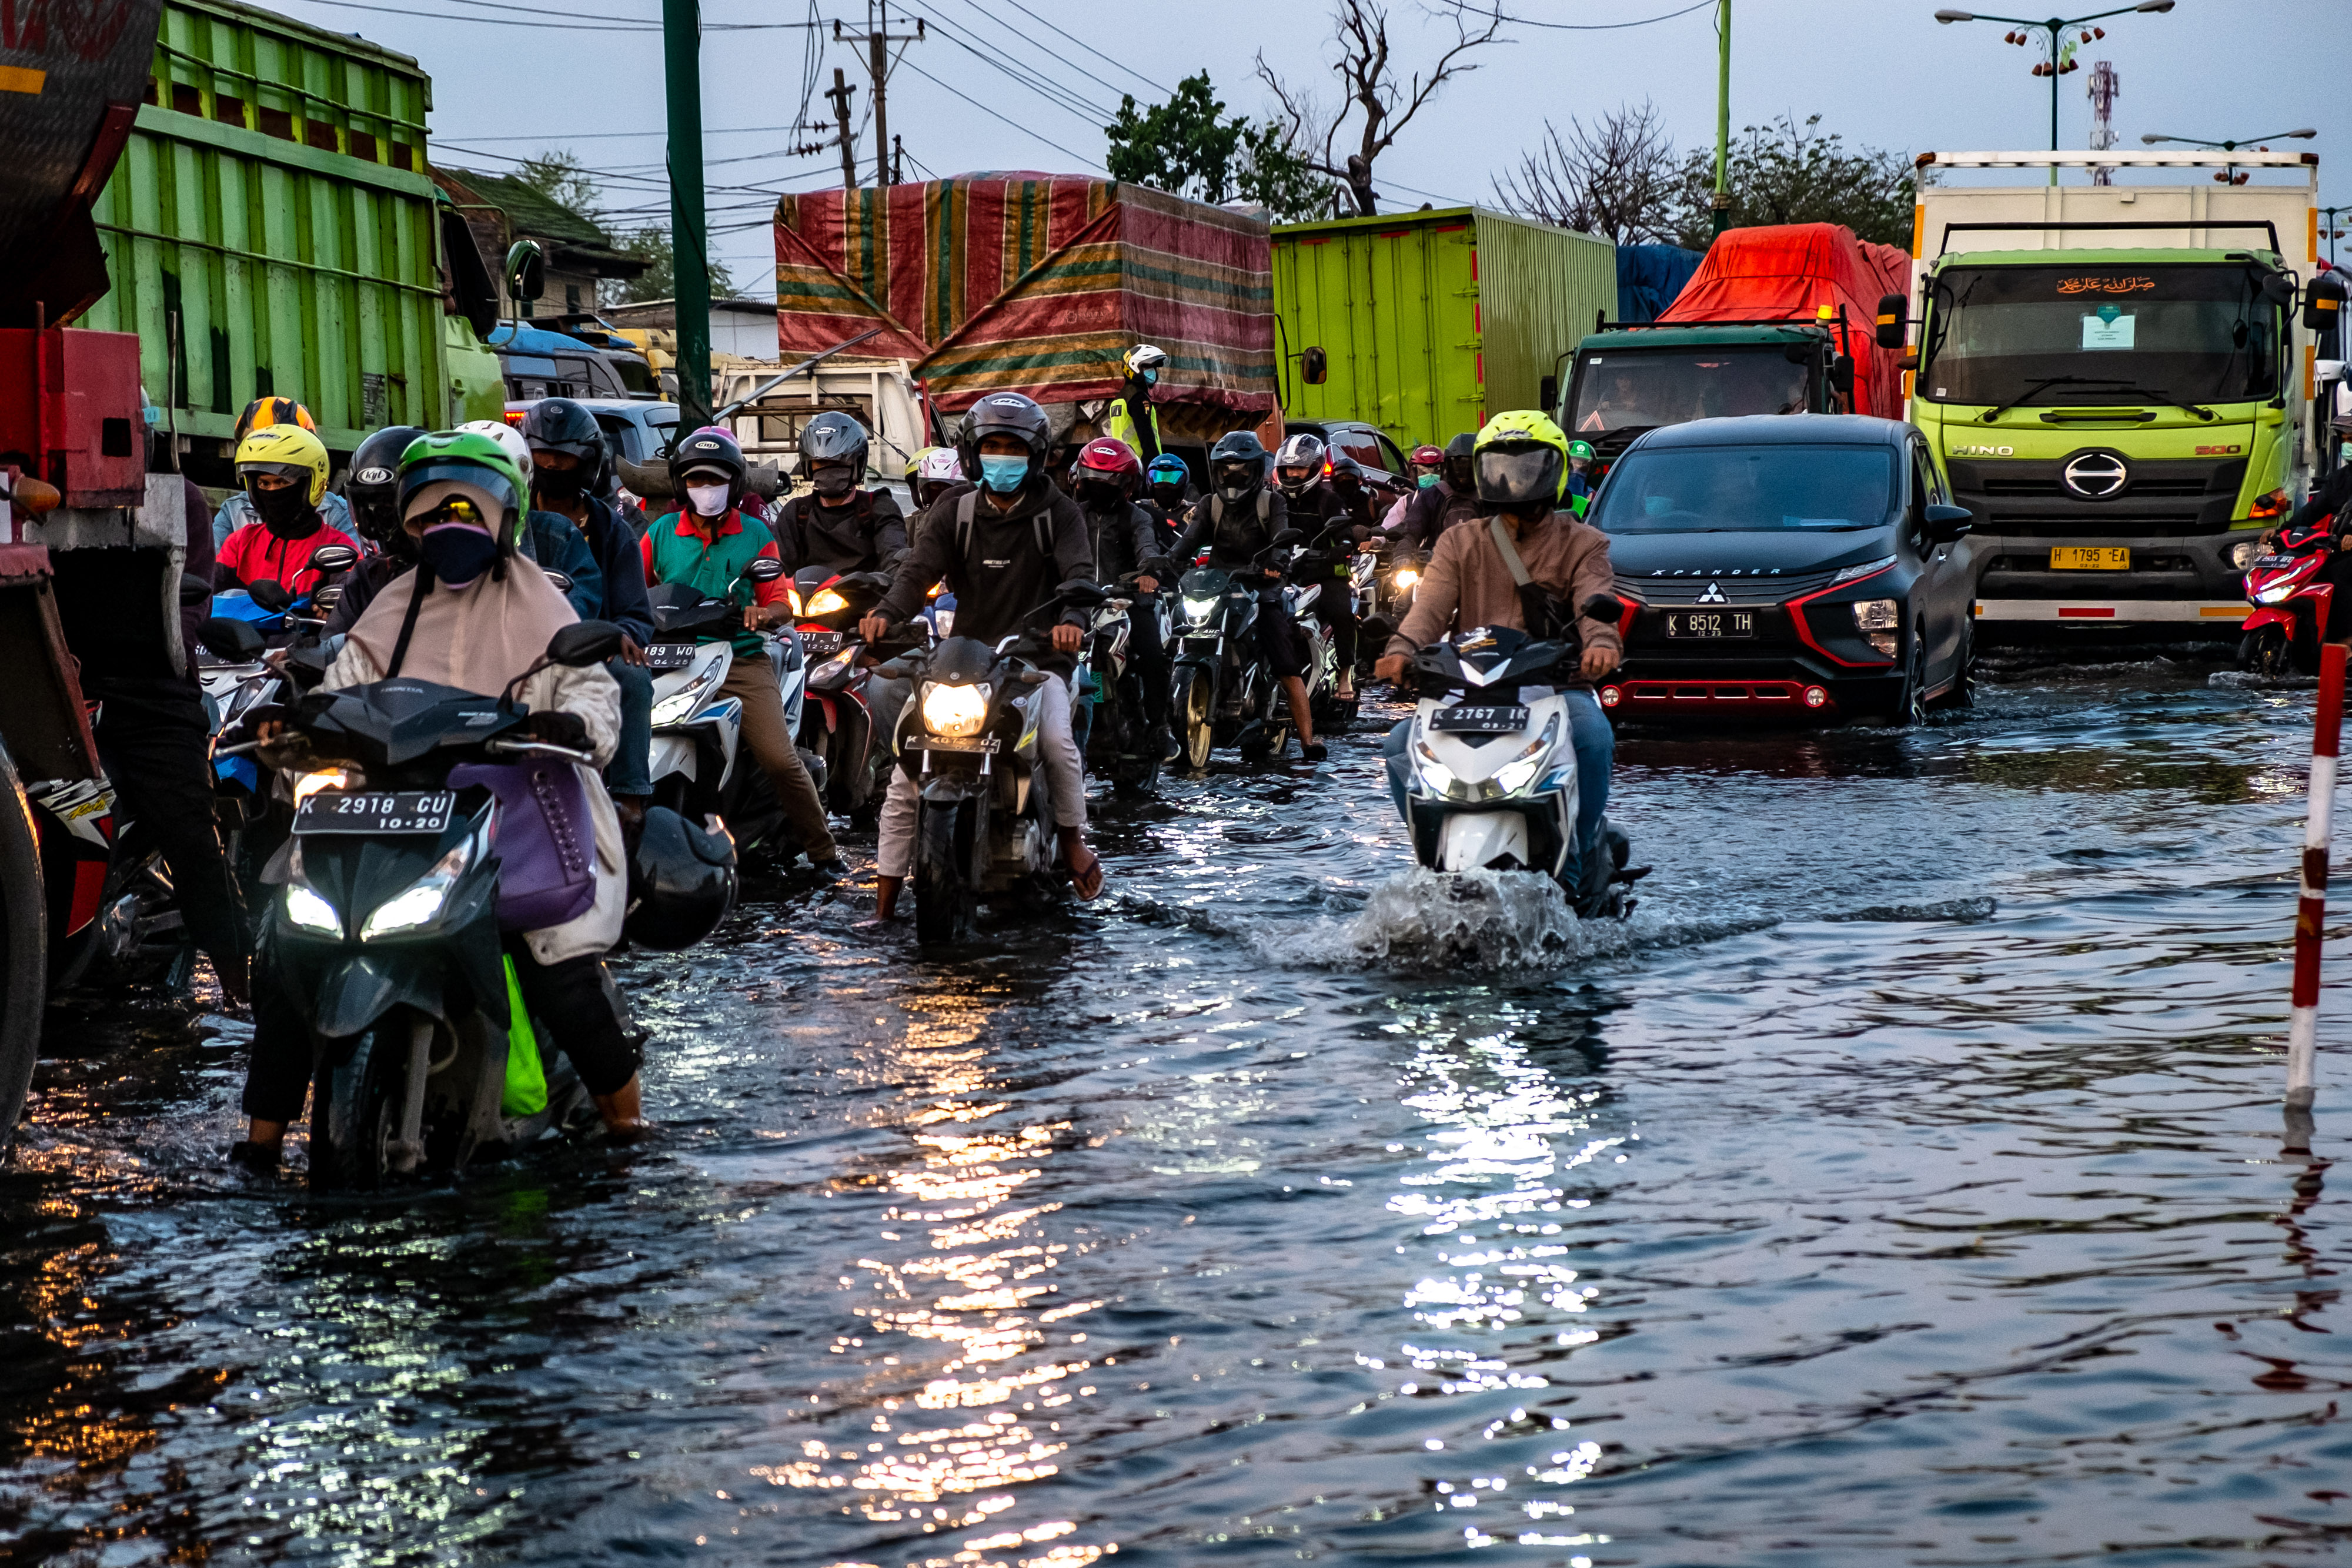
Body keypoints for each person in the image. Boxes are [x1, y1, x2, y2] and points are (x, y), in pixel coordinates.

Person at [230, 430, 646, 1172]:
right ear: (411, 522)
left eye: (468, 507)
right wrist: (292, 728)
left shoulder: (543, 606)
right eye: (434, 510)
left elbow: (592, 693)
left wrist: (572, 724)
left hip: (514, 808)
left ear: (502, 518)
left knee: (558, 971)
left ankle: (630, 1132)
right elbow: (340, 691)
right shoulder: (387, 608)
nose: (450, 522)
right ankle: (259, 1144)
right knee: (290, 953)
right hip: (386, 815)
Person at [857, 392, 1104, 915]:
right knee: (906, 775)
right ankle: (881, 906)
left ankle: (1074, 840)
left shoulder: (1060, 513)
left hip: (1037, 661)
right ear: (973, 453)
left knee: (1059, 745)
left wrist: (1071, 622)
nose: (1002, 456)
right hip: (962, 661)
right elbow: (917, 572)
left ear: (1035, 455)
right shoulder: (956, 510)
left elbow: (1080, 577)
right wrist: (885, 613)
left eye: (1013, 447)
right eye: (992, 446)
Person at [42, 432, 248, 1004]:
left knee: (190, 833)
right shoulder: (49, 499)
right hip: (75, 690)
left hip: (157, 698)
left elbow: (187, 602)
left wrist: (163, 650)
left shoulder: (179, 500)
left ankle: (237, 979)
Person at [1372, 410, 1622, 866]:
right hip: (1471, 687)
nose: (1515, 481)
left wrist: (1601, 644)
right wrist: (1401, 650)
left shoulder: (1584, 542)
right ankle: (1431, 855)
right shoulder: (1458, 541)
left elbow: (1595, 599)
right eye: (1503, 469)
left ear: (1556, 469)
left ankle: (1580, 858)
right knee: (1398, 746)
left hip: (1556, 687)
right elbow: (1428, 608)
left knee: (1593, 736)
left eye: (1528, 468)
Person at [640, 426, 846, 875]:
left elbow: (780, 601)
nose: (704, 489)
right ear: (681, 485)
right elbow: (635, 594)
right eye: (695, 480)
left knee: (779, 758)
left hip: (740, 658)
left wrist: (764, 615)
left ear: (733, 484)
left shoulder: (755, 534)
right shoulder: (659, 533)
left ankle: (825, 852)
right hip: (669, 658)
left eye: (713, 480)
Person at [522, 398, 659, 830]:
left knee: (633, 676)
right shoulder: (508, 519)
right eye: (542, 456)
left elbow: (636, 615)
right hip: (515, 647)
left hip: (587, 655)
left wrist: (613, 640)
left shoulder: (612, 530)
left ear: (587, 463)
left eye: (562, 458)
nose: (551, 465)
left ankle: (631, 798)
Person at [1170, 429, 1324, 761]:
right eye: (1226, 469)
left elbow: (1282, 542)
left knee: (1285, 662)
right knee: (1175, 630)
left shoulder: (1273, 501)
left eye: (1241, 469)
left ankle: (1309, 740)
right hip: (1219, 587)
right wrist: (1163, 561)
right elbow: (1187, 541)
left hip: (1262, 587)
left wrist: (1275, 564)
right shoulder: (1209, 504)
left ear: (1256, 471)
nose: (1233, 475)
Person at [1070, 437, 1175, 757]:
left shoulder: (1137, 517)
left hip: (1127, 602)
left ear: (1127, 485)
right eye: (1094, 479)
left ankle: (1160, 726)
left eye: (1109, 480)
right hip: (1077, 602)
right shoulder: (1072, 515)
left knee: (1153, 657)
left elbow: (1147, 547)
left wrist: (1147, 574)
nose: (1101, 486)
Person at [459, 419, 604, 621]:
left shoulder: (557, 535)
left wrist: (546, 625)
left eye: (489, 484)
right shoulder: (432, 537)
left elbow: (582, 600)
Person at [1272, 434, 1371, 706]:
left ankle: (1345, 674)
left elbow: (1345, 532)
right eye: (1288, 468)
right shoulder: (1274, 501)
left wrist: (1343, 545)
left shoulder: (1329, 500)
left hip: (1325, 574)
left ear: (1314, 468)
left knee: (1341, 612)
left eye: (1299, 468)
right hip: (1285, 574)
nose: (1293, 474)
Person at [213, 424, 363, 596]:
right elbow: (208, 587)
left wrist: (331, 606)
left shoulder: (337, 546)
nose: (272, 491)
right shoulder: (240, 543)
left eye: (282, 482)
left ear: (310, 486)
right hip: (245, 623)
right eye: (264, 484)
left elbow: (351, 592)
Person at [210, 397, 353, 553]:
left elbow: (354, 572)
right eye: (264, 482)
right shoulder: (233, 512)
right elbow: (212, 570)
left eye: (284, 481)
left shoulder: (338, 514)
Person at [774, 410, 908, 577]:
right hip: (808, 601)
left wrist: (892, 575)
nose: (829, 468)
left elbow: (893, 553)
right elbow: (778, 569)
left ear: (857, 463)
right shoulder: (795, 513)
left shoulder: (879, 507)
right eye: (821, 462)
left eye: (839, 460)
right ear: (809, 466)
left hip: (870, 600)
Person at [323, 424, 428, 635]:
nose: (379, 520)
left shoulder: (453, 574)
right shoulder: (369, 575)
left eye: (389, 506)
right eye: (370, 508)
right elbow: (334, 640)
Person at [1387, 432, 1482, 551]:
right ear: (1448, 465)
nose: (1461, 470)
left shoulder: (1490, 496)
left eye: (1467, 464)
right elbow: (1411, 529)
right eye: (1456, 463)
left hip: (1482, 565)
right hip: (1438, 563)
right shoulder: (1432, 495)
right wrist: (1403, 553)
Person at [1102, 345, 1167, 465]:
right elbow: (1146, 438)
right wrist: (1154, 467)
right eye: (1148, 367)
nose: (1153, 371)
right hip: (1141, 464)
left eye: (1154, 368)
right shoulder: (1138, 398)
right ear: (1134, 368)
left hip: (1123, 463)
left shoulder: (1119, 399)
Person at [1141, 453, 1192, 549]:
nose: (1165, 487)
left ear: (1182, 485)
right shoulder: (1141, 508)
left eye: (1172, 481)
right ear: (1151, 484)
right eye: (1159, 481)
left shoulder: (1195, 510)